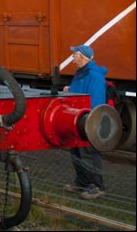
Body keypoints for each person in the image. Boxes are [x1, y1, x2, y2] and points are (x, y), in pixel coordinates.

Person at [62, 44, 107, 200]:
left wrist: (88, 121)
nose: (73, 57)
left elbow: (95, 99)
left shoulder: (94, 75)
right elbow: (80, 94)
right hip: (77, 119)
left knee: (89, 153)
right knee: (76, 151)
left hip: (88, 120)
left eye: (75, 55)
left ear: (82, 57)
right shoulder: (81, 73)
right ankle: (81, 182)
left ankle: (96, 186)